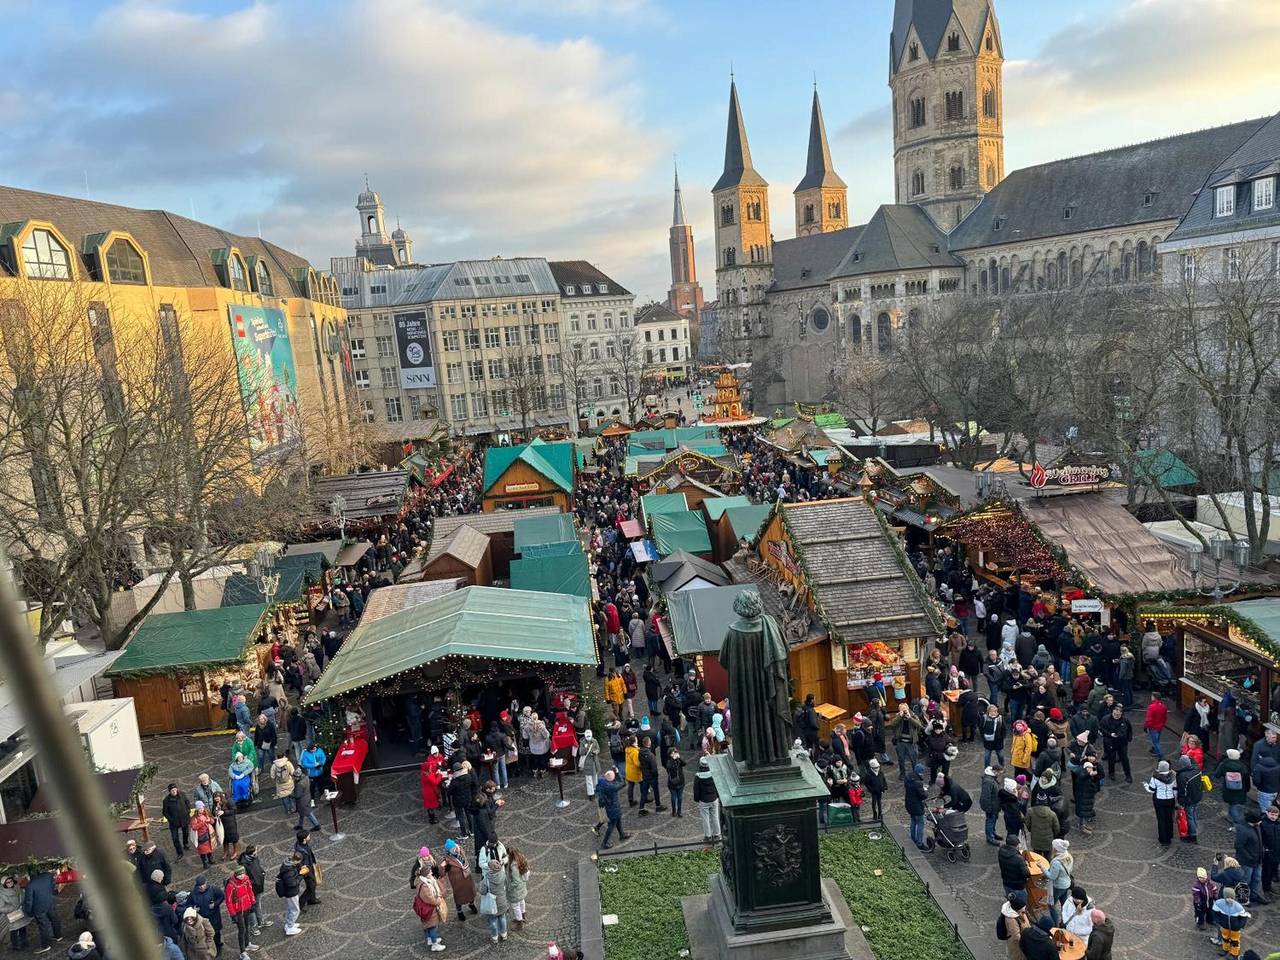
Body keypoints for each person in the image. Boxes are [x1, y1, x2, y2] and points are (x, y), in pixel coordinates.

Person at [224, 865, 259, 960]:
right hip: (238, 911)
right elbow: (228, 901)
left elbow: (250, 891)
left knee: (247, 926)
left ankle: (247, 944)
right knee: (242, 930)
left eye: (243, 874)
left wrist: (252, 902)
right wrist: (233, 914)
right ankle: (242, 952)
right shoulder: (231, 886)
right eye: (239, 875)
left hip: (247, 907)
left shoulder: (246, 880)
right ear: (236, 875)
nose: (242, 876)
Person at [237, 844, 272, 936]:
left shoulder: (254, 858)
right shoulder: (244, 865)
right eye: (255, 850)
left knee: (258, 905)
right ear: (252, 853)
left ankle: (260, 921)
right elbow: (244, 879)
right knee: (251, 908)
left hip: (258, 886)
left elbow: (258, 867)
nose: (257, 852)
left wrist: (262, 872)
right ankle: (254, 927)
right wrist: (255, 881)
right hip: (251, 889)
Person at [187, 874, 224, 957]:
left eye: (202, 885)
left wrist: (215, 904)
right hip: (202, 920)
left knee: (216, 933)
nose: (201, 887)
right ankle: (209, 950)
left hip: (214, 917)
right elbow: (187, 904)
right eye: (199, 886)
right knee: (206, 935)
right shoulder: (193, 894)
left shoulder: (213, 889)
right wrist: (193, 908)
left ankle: (218, 948)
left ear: (206, 883)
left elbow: (221, 896)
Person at [440, 840, 478, 920]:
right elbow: (442, 874)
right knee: (459, 897)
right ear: (449, 851)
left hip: (467, 878)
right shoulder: (447, 860)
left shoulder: (460, 849)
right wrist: (442, 867)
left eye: (455, 848)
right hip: (457, 882)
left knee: (471, 892)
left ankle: (471, 904)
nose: (455, 850)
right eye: (453, 849)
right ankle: (459, 912)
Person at [413, 865, 447, 952]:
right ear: (426, 874)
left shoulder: (422, 882)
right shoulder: (424, 886)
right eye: (429, 872)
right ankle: (434, 944)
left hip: (425, 909)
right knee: (432, 926)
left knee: (427, 925)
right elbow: (430, 899)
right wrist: (438, 901)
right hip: (430, 910)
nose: (431, 873)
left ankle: (430, 939)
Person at [1144, 760, 1178, 845]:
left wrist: (1145, 785)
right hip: (1170, 800)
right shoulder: (1173, 776)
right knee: (1169, 818)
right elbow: (1175, 789)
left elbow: (1151, 790)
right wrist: (1175, 799)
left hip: (1159, 800)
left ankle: (1163, 839)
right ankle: (1170, 835)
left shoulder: (1155, 777)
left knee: (1161, 819)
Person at [478, 854, 510, 943]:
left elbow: (482, 891)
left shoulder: (486, 879)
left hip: (492, 904)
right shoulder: (503, 875)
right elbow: (506, 885)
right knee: (502, 918)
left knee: (493, 920)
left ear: (491, 868)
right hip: (502, 901)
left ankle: (495, 937)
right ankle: (504, 934)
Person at [1210, 886, 1249, 956]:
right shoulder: (1219, 904)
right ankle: (1225, 949)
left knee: (1235, 941)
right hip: (1225, 927)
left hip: (1235, 929)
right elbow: (1214, 912)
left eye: (1231, 898)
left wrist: (1239, 925)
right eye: (1228, 898)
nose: (1229, 900)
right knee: (1225, 939)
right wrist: (1219, 921)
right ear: (1225, 897)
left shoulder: (1238, 907)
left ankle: (1234, 954)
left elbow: (1244, 917)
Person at [1217, 749, 1251, 826]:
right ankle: (1235, 821)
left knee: (1231, 804)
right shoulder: (1243, 766)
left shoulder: (1224, 764)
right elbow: (1246, 779)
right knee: (1235, 805)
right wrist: (1247, 789)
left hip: (1228, 789)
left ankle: (1236, 823)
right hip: (1240, 790)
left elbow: (1217, 775)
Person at [1100, 704, 1133, 784]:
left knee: (1124, 759)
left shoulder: (1125, 720)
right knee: (1111, 758)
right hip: (1110, 742)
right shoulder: (1105, 719)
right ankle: (1111, 773)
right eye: (1115, 714)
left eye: (1118, 714)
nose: (1116, 715)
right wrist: (1110, 734)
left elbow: (1129, 730)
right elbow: (1102, 729)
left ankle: (1128, 775)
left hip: (1122, 743)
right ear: (1112, 712)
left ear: (1121, 713)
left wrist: (1129, 738)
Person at [596, 768, 627, 850]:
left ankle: (622, 834)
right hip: (613, 808)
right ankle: (604, 843)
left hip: (609, 807)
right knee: (611, 825)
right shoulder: (611, 787)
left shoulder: (601, 781)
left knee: (618, 819)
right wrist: (618, 773)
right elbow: (623, 783)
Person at [1045, 839, 1075, 921]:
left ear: (1056, 849)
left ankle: (1055, 922)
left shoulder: (1056, 862)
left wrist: (1043, 869)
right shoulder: (1068, 856)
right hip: (1067, 884)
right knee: (1064, 903)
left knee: (1051, 905)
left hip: (1058, 886)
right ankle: (1065, 920)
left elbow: (1052, 877)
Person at [275, 854, 304, 937]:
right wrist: (300, 875)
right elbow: (292, 883)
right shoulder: (289, 870)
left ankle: (289, 924)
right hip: (291, 892)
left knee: (290, 908)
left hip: (290, 892)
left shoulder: (288, 864)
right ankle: (290, 927)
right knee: (295, 909)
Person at [694, 756, 721, 843]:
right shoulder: (713, 773)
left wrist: (697, 799)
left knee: (705, 818)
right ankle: (717, 835)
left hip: (704, 800)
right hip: (714, 798)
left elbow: (696, 790)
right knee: (715, 816)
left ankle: (708, 836)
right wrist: (717, 796)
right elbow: (718, 785)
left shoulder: (698, 776)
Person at [161, 783, 191, 861]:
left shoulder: (182, 794)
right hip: (174, 822)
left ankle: (185, 844)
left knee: (186, 833)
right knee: (175, 838)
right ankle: (179, 852)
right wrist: (171, 819)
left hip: (184, 819)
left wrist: (187, 812)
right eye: (172, 790)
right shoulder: (166, 800)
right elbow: (165, 812)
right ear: (169, 791)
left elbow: (188, 803)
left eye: (175, 790)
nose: (174, 791)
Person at [997, 892, 1031, 960]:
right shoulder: (1011, 920)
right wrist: (1027, 942)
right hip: (1017, 946)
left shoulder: (1020, 912)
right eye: (1023, 907)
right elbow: (1016, 936)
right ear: (1018, 909)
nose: (1025, 908)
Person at [1, 875, 30, 951]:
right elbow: (1, 908)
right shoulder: (1, 893)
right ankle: (15, 945)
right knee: (14, 930)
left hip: (20, 911)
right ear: (4, 884)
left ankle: (24, 942)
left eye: (10, 881)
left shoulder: (17, 887)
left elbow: (22, 896)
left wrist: (21, 902)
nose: (9, 883)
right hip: (11, 914)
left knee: (22, 927)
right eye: (7, 882)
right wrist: (13, 908)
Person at [294, 830, 321, 908]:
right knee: (311, 886)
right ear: (304, 839)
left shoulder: (303, 845)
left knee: (313, 884)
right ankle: (301, 902)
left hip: (310, 866)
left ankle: (312, 899)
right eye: (308, 836)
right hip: (306, 870)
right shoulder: (299, 850)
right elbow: (297, 862)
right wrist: (304, 871)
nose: (309, 837)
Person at [998, 834, 1031, 898]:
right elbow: (1026, 873)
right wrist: (1025, 864)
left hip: (1006, 882)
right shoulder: (1019, 859)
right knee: (1021, 903)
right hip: (1017, 885)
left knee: (1011, 900)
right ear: (1016, 845)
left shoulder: (1001, 851)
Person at [505, 847, 530, 931]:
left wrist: (509, 887)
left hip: (516, 891)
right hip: (522, 887)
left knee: (515, 906)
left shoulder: (513, 866)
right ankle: (523, 914)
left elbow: (516, 881)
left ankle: (519, 922)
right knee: (521, 901)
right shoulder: (521, 858)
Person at [1193, 867, 1219, 931]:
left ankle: (1210, 920)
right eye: (1200, 877)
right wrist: (1198, 902)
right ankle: (1200, 923)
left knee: (1210, 911)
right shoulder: (1196, 885)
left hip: (1209, 900)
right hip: (1201, 902)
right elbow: (1196, 895)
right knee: (1200, 913)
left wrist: (1215, 896)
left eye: (1203, 877)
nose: (1202, 879)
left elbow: (1214, 890)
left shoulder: (1210, 883)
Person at [1143, 694, 1167, 759]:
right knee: (1157, 740)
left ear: (1154, 697)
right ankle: (1154, 750)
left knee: (1155, 742)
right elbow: (1164, 717)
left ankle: (1160, 756)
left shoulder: (1151, 707)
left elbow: (1149, 719)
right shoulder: (1164, 706)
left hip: (1153, 727)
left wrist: (1145, 726)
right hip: (1160, 727)